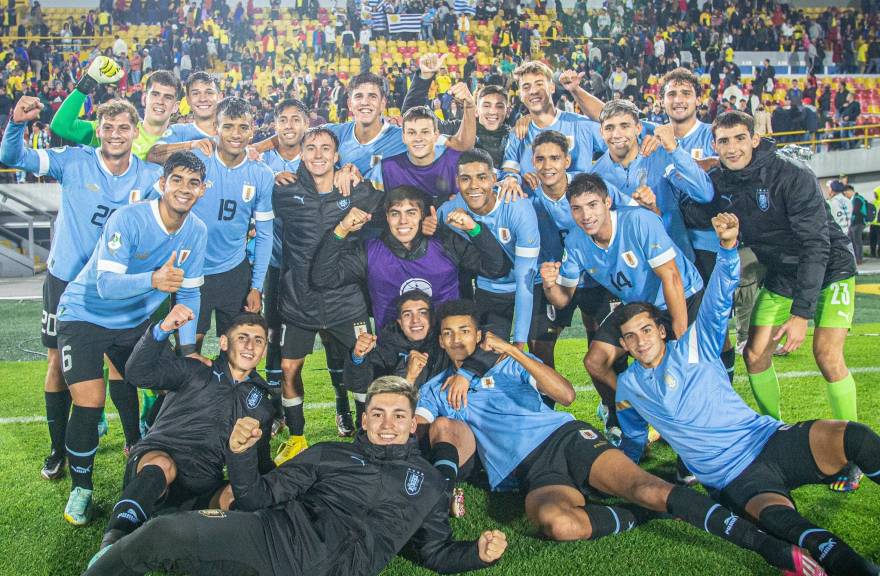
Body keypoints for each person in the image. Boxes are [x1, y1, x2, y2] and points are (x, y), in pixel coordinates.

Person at [416, 300, 820, 576]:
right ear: (440, 341)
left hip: (565, 438)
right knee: (558, 525)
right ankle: (652, 511)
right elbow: (424, 430)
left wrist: (514, 352)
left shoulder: (506, 362)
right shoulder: (435, 389)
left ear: (478, 334)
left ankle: (773, 549)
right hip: (528, 473)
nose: (457, 340)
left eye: (464, 331)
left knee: (646, 486)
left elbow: (566, 395)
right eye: (448, 334)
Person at [614, 212, 880, 576]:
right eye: (630, 336)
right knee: (790, 528)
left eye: (646, 330)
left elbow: (718, 300)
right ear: (624, 345)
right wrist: (625, 471)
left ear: (661, 331)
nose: (640, 340)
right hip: (732, 477)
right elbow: (631, 433)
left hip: (767, 438)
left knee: (857, 438)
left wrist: (726, 249)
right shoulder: (628, 387)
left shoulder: (693, 345)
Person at [84, 376, 508, 576]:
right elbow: (255, 498)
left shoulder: (429, 484)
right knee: (163, 535)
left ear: (411, 422)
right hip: (274, 543)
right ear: (363, 420)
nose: (386, 423)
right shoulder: (328, 456)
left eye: (398, 415)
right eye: (377, 413)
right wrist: (241, 454)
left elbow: (433, 552)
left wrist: (477, 554)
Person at [0, 96, 163, 483]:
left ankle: (133, 441)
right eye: (108, 127)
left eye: (124, 127)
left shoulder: (149, 177)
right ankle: (58, 450)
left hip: (118, 286)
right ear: (99, 131)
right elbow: (15, 157)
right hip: (67, 281)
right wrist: (16, 124)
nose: (115, 134)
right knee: (57, 364)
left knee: (124, 365)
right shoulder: (74, 161)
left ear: (135, 133)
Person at [55, 151, 208, 525]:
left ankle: (150, 453)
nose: (184, 189)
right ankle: (82, 488)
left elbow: (189, 292)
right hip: (84, 315)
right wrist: (153, 280)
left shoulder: (197, 231)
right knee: (90, 401)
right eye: (177, 180)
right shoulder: (130, 218)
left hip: (134, 322)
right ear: (162, 183)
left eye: (193, 183)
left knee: (172, 385)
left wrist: (188, 349)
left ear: (202, 190)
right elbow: (106, 286)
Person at [709, 110, 860, 491]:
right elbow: (697, 208)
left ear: (754, 139)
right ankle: (773, 434)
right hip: (782, 274)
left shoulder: (792, 174)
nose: (732, 147)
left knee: (827, 355)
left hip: (831, 268)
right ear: (715, 145)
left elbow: (816, 244)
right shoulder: (721, 181)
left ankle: (852, 454)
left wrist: (800, 314)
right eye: (724, 141)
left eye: (739, 138)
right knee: (755, 354)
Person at [541, 173, 703, 472]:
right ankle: (632, 416)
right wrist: (550, 284)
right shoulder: (576, 240)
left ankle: (690, 448)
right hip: (638, 305)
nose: (586, 215)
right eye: (577, 208)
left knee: (683, 370)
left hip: (680, 296)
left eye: (592, 205)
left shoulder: (639, 221)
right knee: (595, 361)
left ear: (608, 202)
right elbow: (563, 299)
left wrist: (678, 337)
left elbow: (671, 278)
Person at [89, 307, 276, 563]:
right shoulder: (195, 369)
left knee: (237, 493)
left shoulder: (262, 403)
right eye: (242, 337)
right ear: (224, 342)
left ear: (264, 349)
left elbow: (260, 463)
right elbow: (137, 373)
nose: (250, 346)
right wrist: (161, 330)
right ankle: (112, 544)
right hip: (156, 465)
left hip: (201, 484)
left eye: (258, 340)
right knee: (162, 465)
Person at [272, 127, 384, 463]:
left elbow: (386, 205)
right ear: (301, 154)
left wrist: (356, 175)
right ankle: (296, 438)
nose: (318, 154)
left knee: (363, 368)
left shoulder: (356, 189)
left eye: (325, 149)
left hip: (345, 299)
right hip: (298, 300)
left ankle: (367, 438)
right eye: (311, 148)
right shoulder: (284, 192)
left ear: (337, 156)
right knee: (290, 368)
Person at [312, 184, 510, 332]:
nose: (403, 221)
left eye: (411, 213)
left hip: (446, 348)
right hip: (395, 352)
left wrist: (474, 228)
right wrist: (342, 229)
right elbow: (323, 278)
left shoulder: (444, 242)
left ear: (422, 215)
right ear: (387, 217)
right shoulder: (370, 251)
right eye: (395, 214)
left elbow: (496, 268)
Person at [187, 97, 274, 353]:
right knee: (190, 350)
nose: (236, 134)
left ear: (252, 130)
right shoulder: (196, 162)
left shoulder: (261, 174)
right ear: (215, 127)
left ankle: (231, 395)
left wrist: (256, 286)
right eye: (228, 126)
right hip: (193, 272)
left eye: (243, 127)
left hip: (234, 274)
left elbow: (265, 235)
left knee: (237, 352)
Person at [438, 149, 540, 349]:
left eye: (482, 177)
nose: (474, 186)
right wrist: (429, 225)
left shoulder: (517, 207)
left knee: (538, 349)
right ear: (457, 182)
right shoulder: (448, 211)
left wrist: (518, 343)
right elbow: (431, 224)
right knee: (486, 351)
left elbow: (524, 278)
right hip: (489, 288)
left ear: (494, 179)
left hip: (530, 285)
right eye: (466, 179)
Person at [591, 99, 714, 262]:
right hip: (636, 270)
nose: (616, 134)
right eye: (609, 128)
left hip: (677, 262)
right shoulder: (595, 176)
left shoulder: (663, 156)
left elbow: (704, 193)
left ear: (638, 128)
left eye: (624, 126)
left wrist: (674, 150)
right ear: (601, 132)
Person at [500, 61, 605, 197]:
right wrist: (512, 179)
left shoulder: (581, 125)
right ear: (520, 94)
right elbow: (509, 171)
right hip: (536, 215)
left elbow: (614, 122)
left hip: (581, 214)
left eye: (539, 84)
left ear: (552, 88)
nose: (533, 91)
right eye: (526, 87)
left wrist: (576, 90)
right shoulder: (518, 134)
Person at [50, 57, 182, 160]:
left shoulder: (184, 142)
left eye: (168, 97)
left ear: (176, 107)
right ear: (145, 98)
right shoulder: (115, 131)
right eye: (155, 94)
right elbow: (61, 126)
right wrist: (88, 81)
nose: (160, 101)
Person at [401, 53, 512, 169]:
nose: (492, 111)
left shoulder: (515, 137)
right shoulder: (457, 128)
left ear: (508, 111)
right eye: (486, 106)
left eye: (499, 106)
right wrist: (424, 78)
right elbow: (410, 115)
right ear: (476, 110)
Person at [369, 101, 475, 207]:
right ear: (403, 137)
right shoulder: (385, 168)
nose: (418, 138)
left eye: (425, 132)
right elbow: (374, 211)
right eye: (411, 132)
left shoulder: (457, 162)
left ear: (436, 135)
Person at [145, 71, 223, 164]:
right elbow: (153, 155)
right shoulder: (178, 131)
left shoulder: (235, 132)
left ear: (220, 97)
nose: (203, 99)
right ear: (188, 100)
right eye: (196, 93)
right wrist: (191, 145)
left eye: (209, 93)